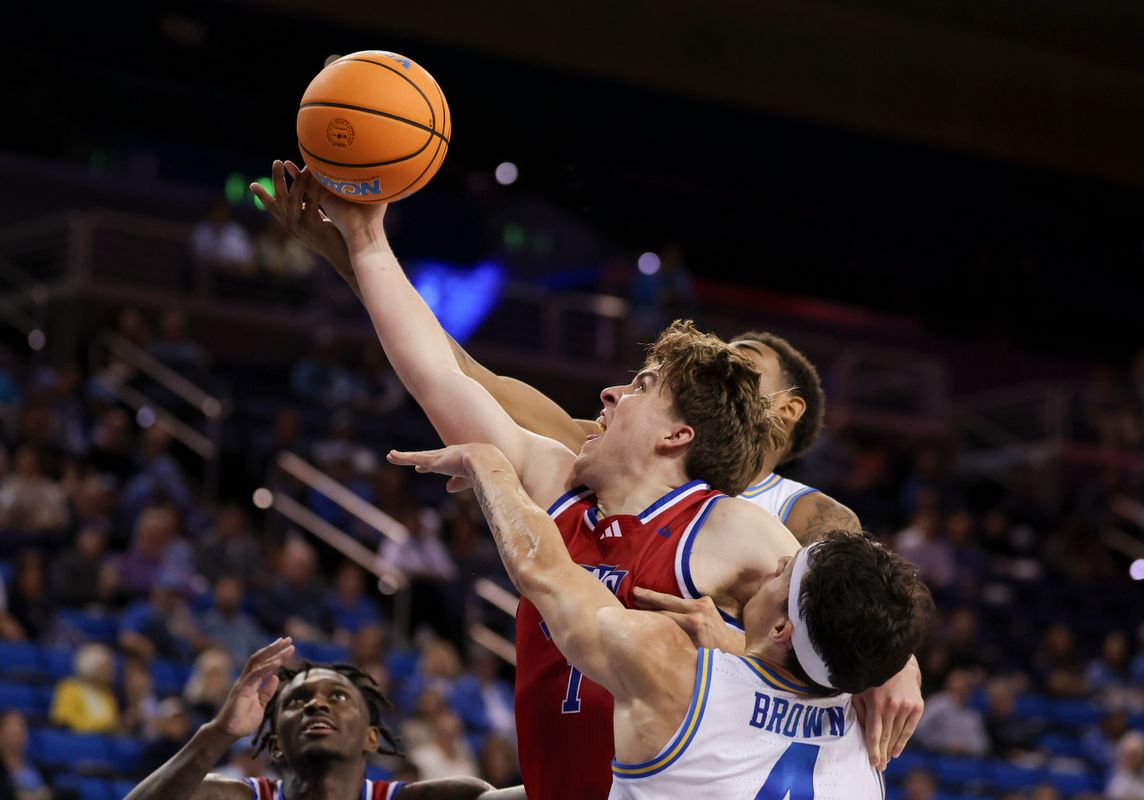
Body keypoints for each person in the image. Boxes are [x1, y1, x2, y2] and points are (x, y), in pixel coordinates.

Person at [250, 165, 923, 795]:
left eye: (640, 386)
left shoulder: (733, 527)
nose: (609, 393)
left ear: (676, 435)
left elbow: (836, 618)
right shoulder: (559, 477)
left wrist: (897, 665)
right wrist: (366, 239)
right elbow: (440, 375)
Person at [390, 443, 931, 799]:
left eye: (783, 575)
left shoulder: (674, 669)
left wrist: (487, 463)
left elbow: (543, 571)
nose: (776, 563)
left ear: (782, 629)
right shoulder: (869, 734)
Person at [122, 638, 518, 800]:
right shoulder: (233, 797)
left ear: (371, 737)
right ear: (276, 745)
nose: (316, 705)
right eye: (297, 700)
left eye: (338, 696)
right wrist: (220, 733)